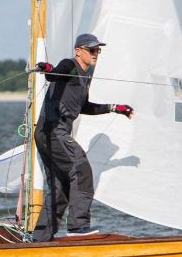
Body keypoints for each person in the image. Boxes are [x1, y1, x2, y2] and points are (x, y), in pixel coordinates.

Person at [31, 32, 134, 240]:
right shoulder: (69, 64)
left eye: (98, 50)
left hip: (50, 133)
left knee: (60, 188)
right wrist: (47, 68)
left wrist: (115, 108)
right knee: (81, 169)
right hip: (52, 130)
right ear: (79, 51)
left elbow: (84, 106)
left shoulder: (86, 75)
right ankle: (78, 228)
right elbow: (55, 75)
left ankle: (40, 238)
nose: (96, 53)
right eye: (91, 49)